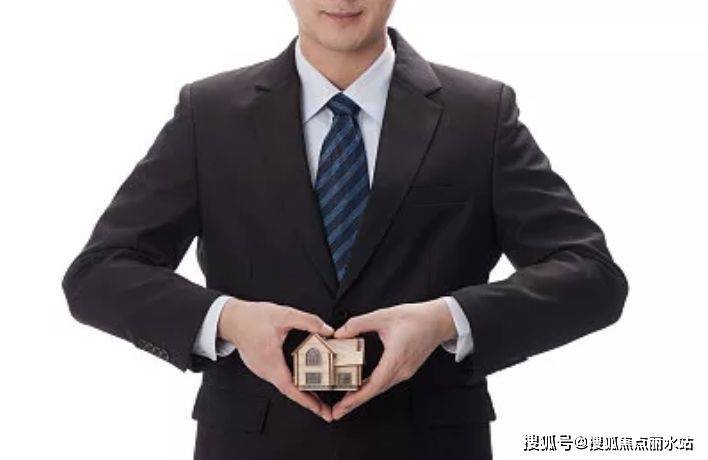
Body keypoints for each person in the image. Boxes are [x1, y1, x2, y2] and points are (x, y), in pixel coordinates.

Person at [61, 1, 628, 459]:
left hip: (430, 445)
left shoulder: (480, 114)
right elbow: (99, 273)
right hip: (251, 445)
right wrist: (230, 320)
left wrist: (444, 320)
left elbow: (592, 276)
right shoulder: (209, 114)